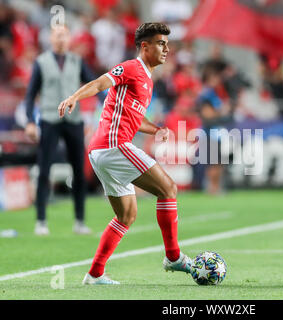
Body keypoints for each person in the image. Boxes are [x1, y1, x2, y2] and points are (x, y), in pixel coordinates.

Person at [58, 22, 192, 285]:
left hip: (102, 151)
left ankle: (95, 273)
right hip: (113, 145)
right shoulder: (132, 68)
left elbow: (134, 118)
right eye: (161, 43)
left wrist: (156, 130)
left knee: (126, 215)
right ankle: (173, 256)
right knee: (168, 188)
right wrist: (74, 96)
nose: (167, 49)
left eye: (167, 43)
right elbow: (100, 83)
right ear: (145, 46)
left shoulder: (147, 80)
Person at [24, 25, 102, 236]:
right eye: (57, 36)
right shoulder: (41, 62)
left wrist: (109, 104)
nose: (60, 39)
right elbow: (30, 95)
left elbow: (95, 84)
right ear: (51, 38)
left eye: (64, 36)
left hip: (73, 118)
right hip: (49, 118)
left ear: (69, 38)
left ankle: (80, 220)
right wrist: (31, 121)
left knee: (78, 169)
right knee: (44, 168)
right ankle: (41, 220)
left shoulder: (77, 61)